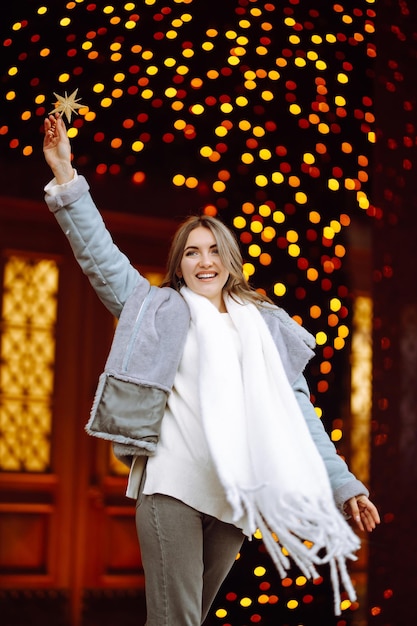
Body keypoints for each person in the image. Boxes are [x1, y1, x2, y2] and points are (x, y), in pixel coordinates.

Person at [43, 113, 380, 626]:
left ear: (231, 259)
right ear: (178, 263)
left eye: (215, 250)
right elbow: (101, 257)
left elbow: (299, 414)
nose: (206, 261)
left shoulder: (266, 327)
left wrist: (345, 485)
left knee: (187, 619)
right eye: (193, 252)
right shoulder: (156, 310)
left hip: (231, 504)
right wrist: (66, 179)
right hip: (171, 490)